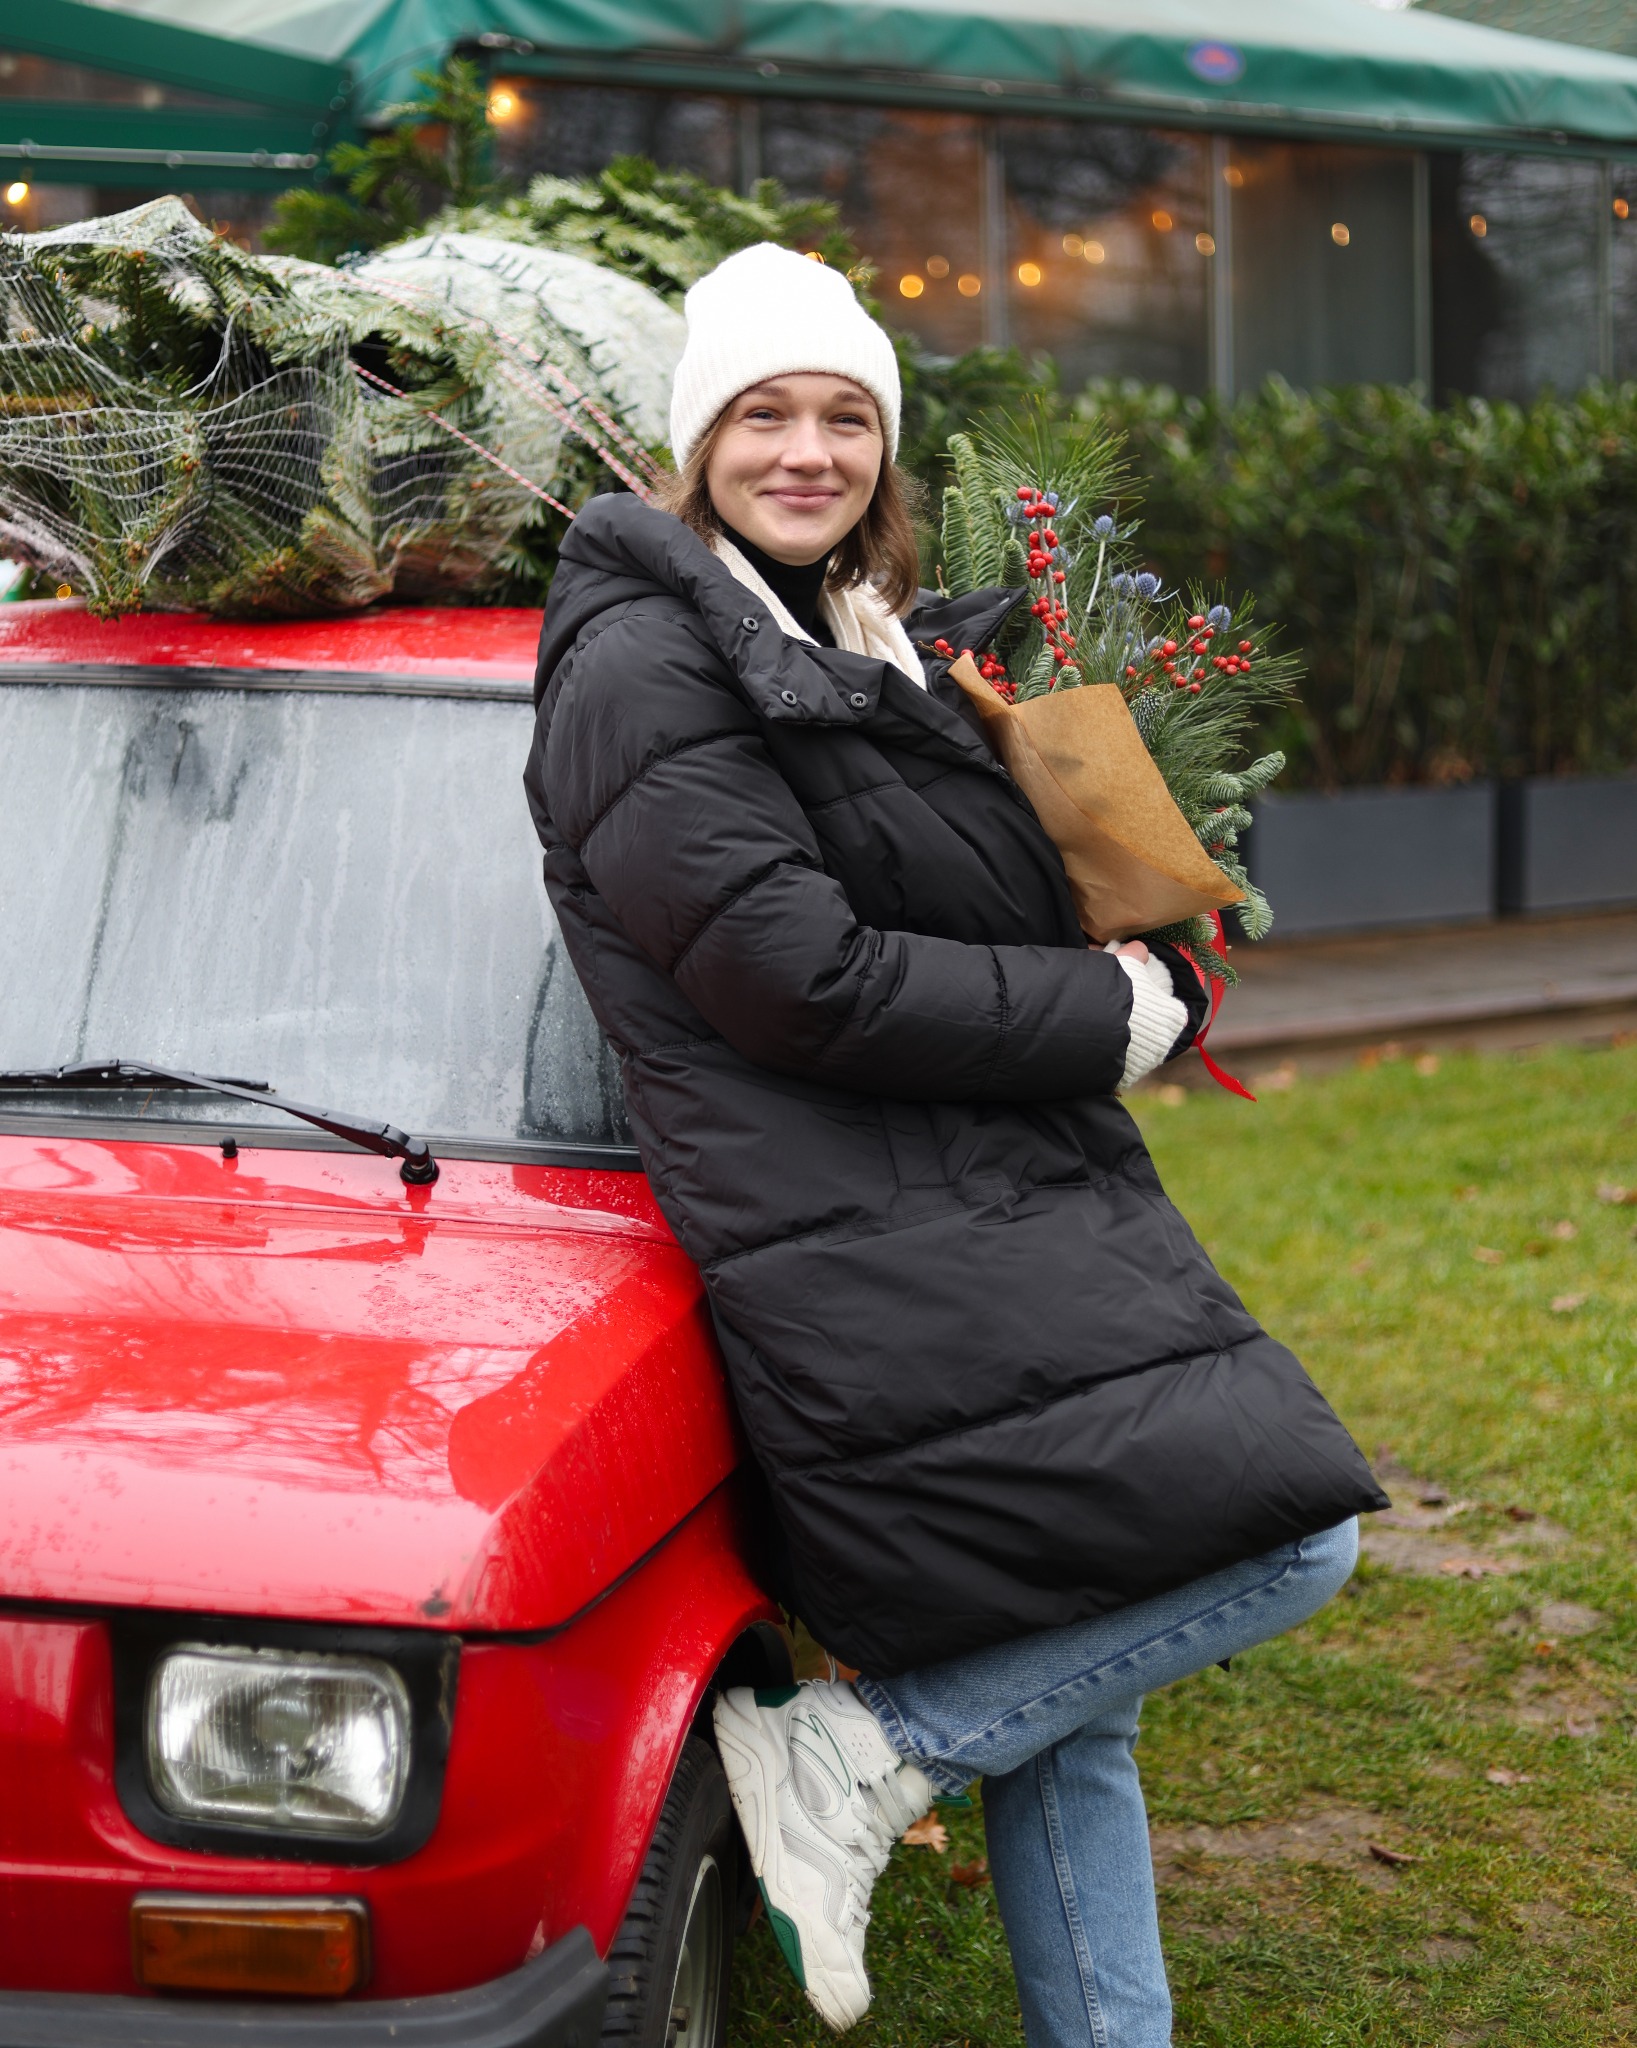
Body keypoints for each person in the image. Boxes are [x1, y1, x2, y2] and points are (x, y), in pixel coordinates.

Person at [523, 242, 1386, 2047]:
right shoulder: (639, 661)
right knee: (1282, 1538)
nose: (807, 450)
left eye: (845, 416)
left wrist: (1119, 885)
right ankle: (853, 1755)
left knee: (1082, 1668)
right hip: (865, 1223)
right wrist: (1112, 1021)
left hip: (971, 1186)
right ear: (695, 449)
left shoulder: (857, 635)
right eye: (762, 413)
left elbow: (938, 900)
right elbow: (793, 980)